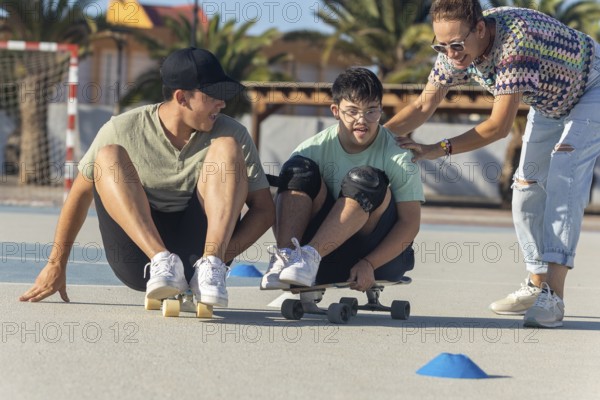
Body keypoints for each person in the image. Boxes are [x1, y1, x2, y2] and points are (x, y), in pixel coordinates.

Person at [384, 0, 600, 328]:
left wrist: (434, 149)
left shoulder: (515, 44)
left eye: (456, 44)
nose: (451, 53)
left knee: (564, 174)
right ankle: (536, 282)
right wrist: (374, 138)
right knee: (526, 185)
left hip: (591, 88)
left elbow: (498, 128)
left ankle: (553, 296)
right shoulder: (454, 51)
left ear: (481, 29)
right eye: (441, 45)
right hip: (549, 101)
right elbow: (425, 103)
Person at [19, 47, 275, 307]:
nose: (223, 102)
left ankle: (210, 267)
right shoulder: (122, 128)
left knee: (227, 146)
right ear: (182, 98)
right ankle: (163, 261)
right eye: (214, 95)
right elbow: (79, 196)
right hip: (140, 259)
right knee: (108, 155)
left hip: (200, 250)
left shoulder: (233, 133)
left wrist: (216, 258)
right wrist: (55, 265)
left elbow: (264, 210)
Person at [261, 67, 423, 294]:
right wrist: (285, 246)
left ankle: (310, 257)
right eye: (352, 111)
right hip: (325, 256)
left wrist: (370, 263)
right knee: (297, 169)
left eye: (371, 111)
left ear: (381, 110)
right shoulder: (312, 149)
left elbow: (410, 223)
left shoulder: (398, 155)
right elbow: (283, 205)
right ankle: (290, 259)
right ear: (336, 111)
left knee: (366, 179)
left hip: (377, 258)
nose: (362, 120)